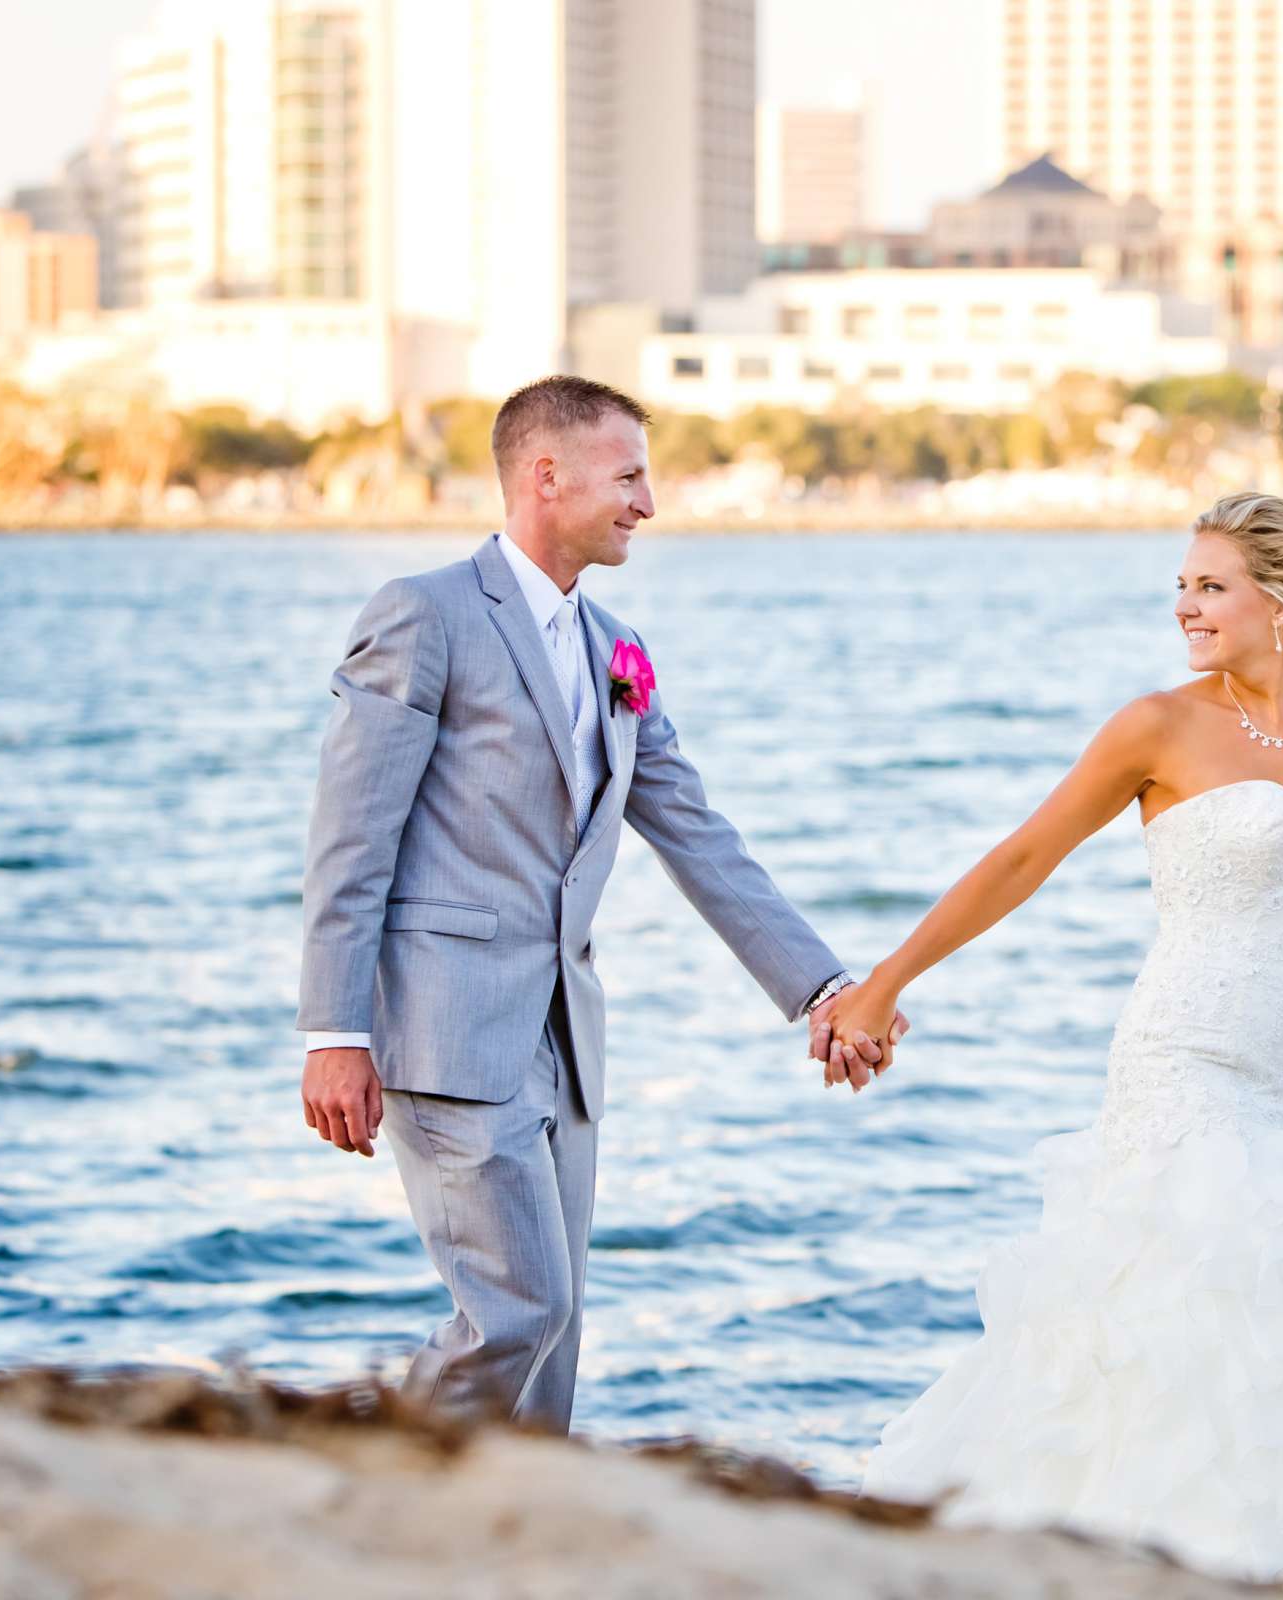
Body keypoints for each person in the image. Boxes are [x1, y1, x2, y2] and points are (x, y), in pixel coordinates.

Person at [827, 491, 1283, 1583]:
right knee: (1192, 1302)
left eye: (1209, 585)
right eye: (1182, 584)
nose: (1184, 605)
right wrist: (885, 982)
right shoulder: (1158, 725)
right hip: (1179, 1060)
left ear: (1278, 601)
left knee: (1277, 1326)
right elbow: (1020, 859)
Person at [295, 375, 904, 1433]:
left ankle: (513, 1548)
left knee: (555, 1340)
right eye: (629, 476)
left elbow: (697, 835)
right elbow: (353, 835)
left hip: (565, 1041)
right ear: (546, 476)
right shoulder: (424, 615)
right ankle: (357, 1483)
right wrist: (334, 1030)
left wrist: (824, 986)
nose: (648, 504)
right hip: (445, 1026)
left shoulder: (614, 646)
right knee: (520, 1305)